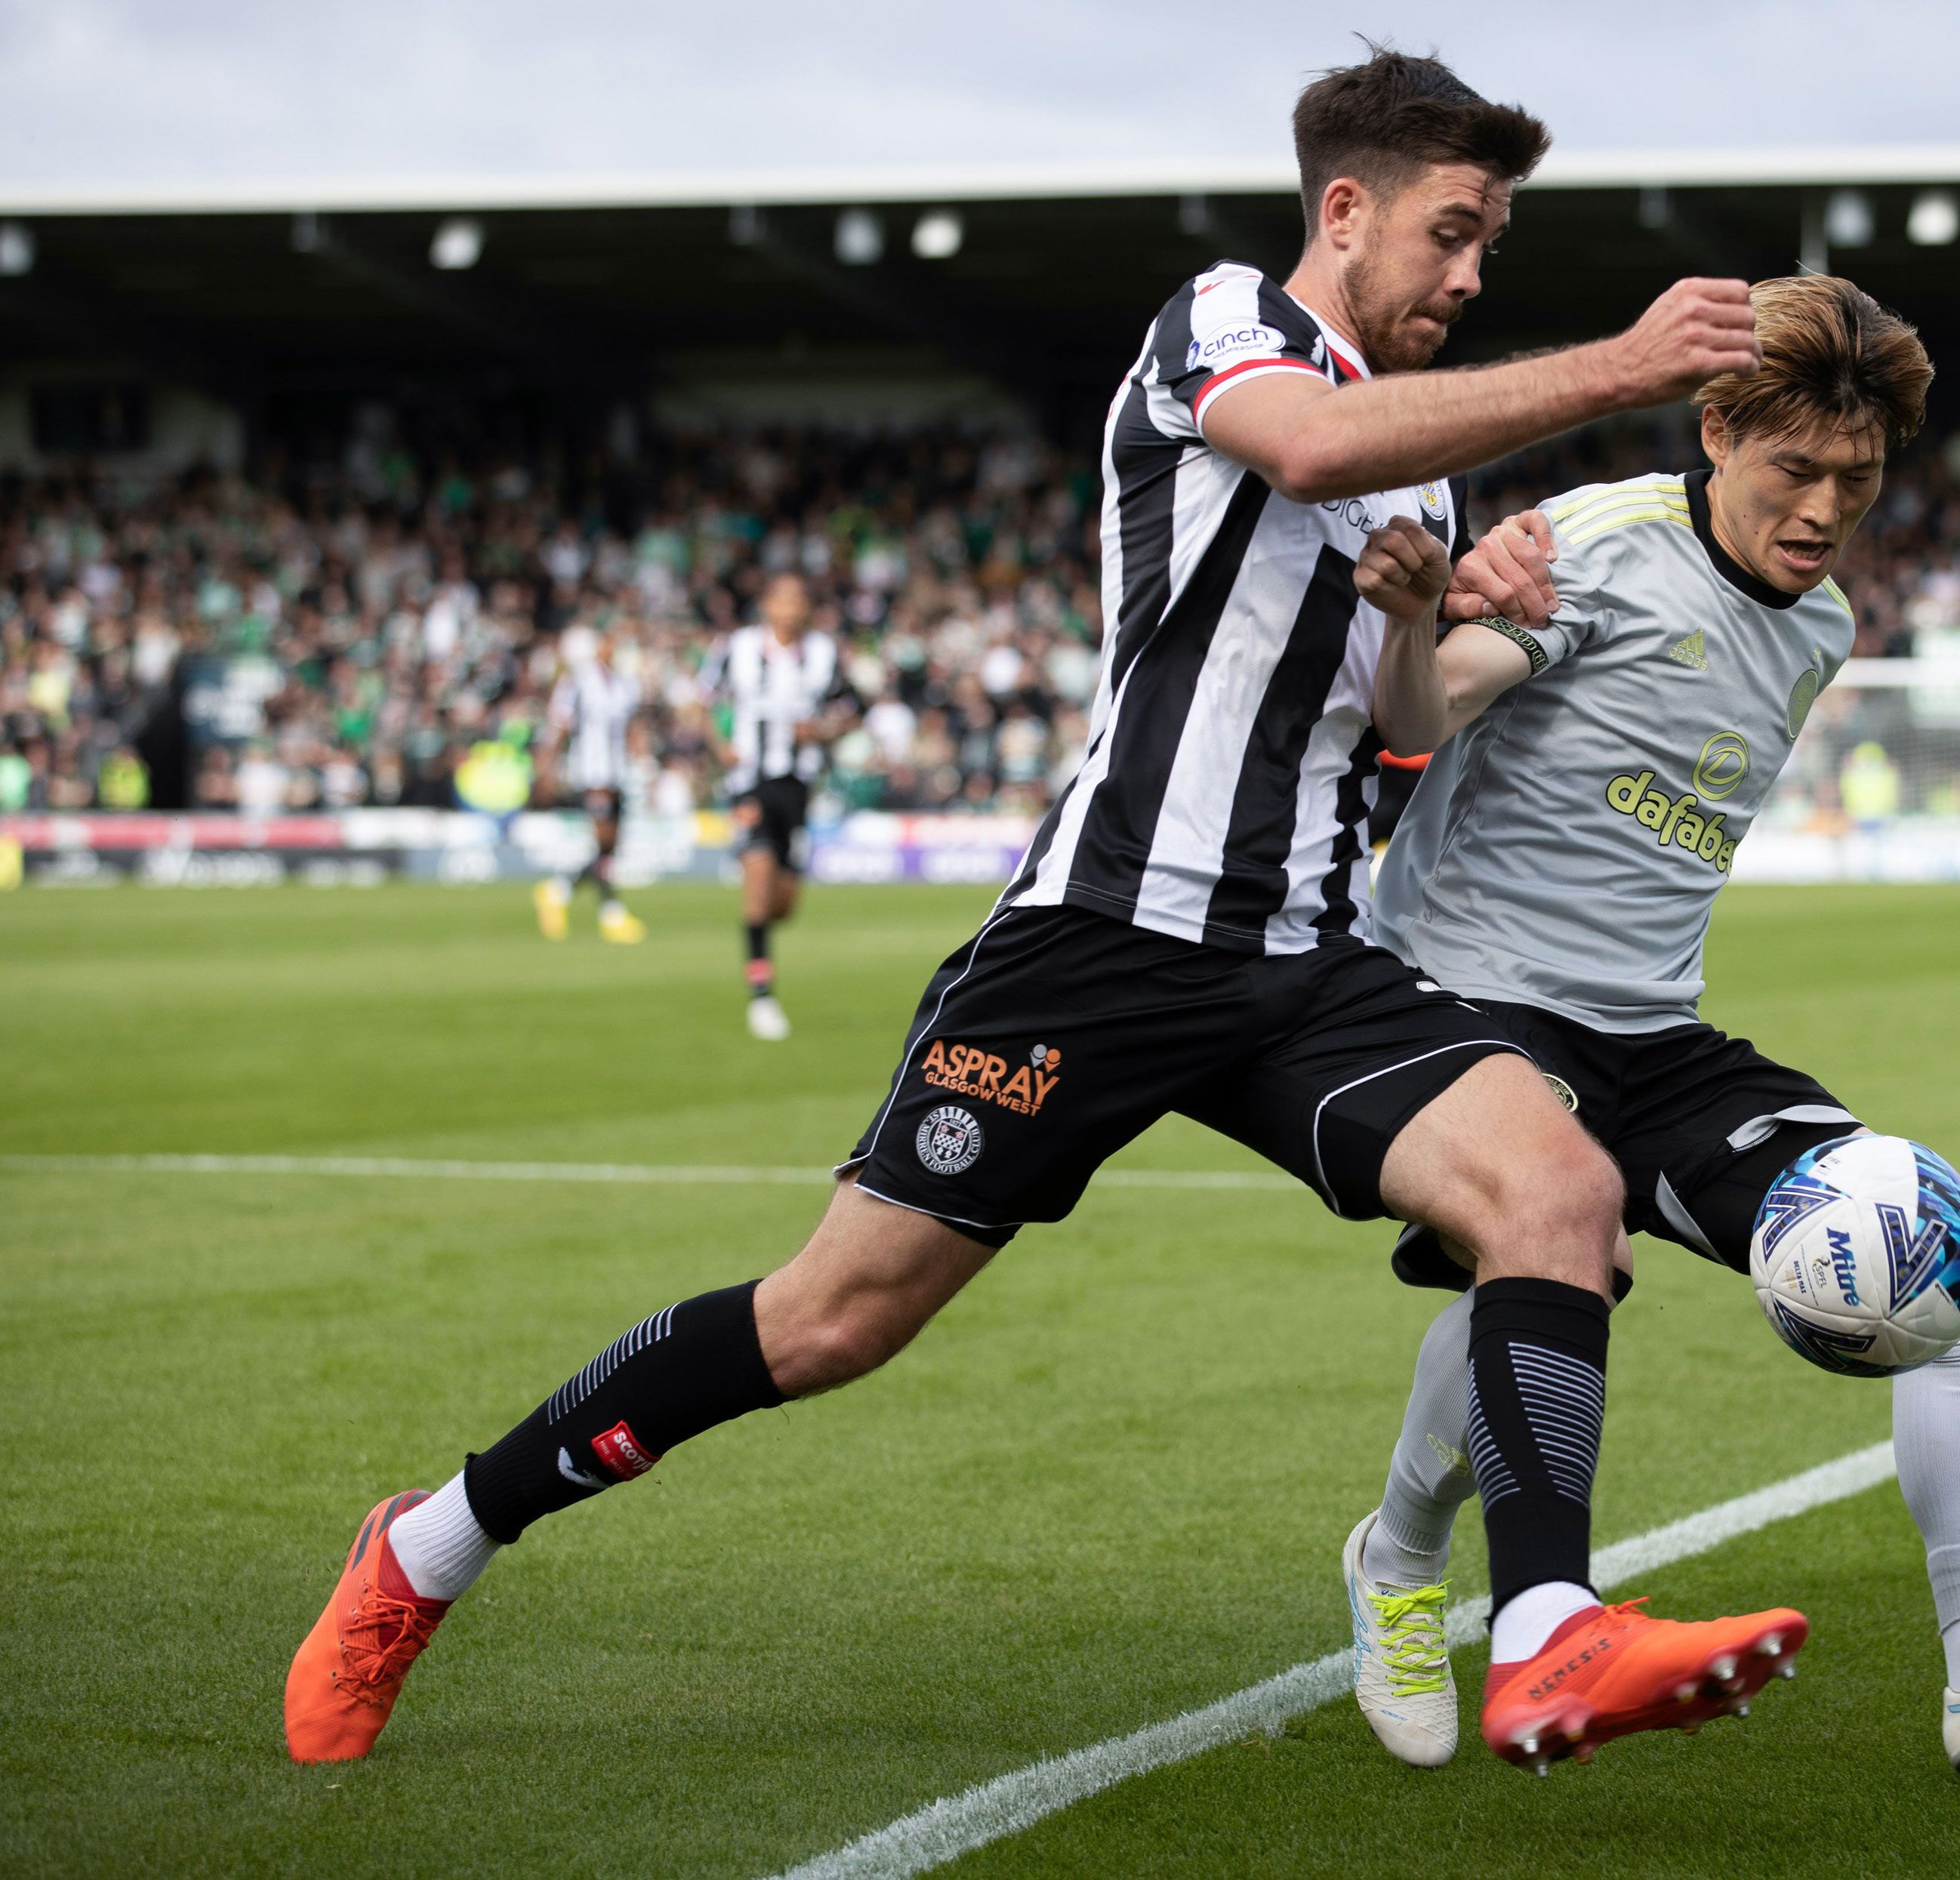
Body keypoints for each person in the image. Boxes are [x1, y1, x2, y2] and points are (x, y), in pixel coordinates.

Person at [285, 45, 1807, 1776]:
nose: (1470, 277)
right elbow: (1300, 446)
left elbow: (1390, 727)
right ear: (1344, 208)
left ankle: (1543, 1633)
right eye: (1453, 234)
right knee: (834, 1318)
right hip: (1098, 938)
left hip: (1303, 951)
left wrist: (1437, 609)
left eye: (1492, 249)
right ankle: (429, 1543)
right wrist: (1620, 367)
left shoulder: (1422, 474)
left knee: (1558, 1187)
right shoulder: (1228, 325)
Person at [1341, 275, 1960, 1778]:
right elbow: (1423, 713)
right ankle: (1401, 1567)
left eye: (1853, 482)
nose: (1819, 510)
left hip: (1649, 1033)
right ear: (1716, 429)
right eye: (1791, 470)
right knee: (1560, 1249)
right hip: (1463, 998)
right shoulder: (1606, 551)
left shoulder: (1825, 623)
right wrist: (1419, 622)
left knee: (1947, 1255)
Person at [713, 575, 849, 1039]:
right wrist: (719, 746)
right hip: (749, 781)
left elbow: (851, 709)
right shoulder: (739, 648)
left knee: (783, 904)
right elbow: (696, 702)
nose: (790, 607)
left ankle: (757, 932)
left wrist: (825, 732)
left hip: (798, 787)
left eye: (799, 598)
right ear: (767, 604)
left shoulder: (823, 655)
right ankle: (762, 997)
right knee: (758, 876)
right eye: (782, 598)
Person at [532, 615, 647, 944]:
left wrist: (642, 762)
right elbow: (560, 726)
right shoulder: (578, 682)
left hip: (617, 772)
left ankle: (558, 890)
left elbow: (631, 727)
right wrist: (546, 767)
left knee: (610, 847)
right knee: (603, 841)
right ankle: (611, 913)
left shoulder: (625, 684)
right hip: (591, 771)